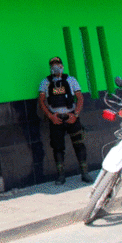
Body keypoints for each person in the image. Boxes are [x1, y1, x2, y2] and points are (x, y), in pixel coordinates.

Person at [38, 56, 92, 185]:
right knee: (57, 148)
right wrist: (51, 116)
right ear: (50, 67)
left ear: (62, 65)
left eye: (58, 64)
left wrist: (75, 115)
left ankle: (85, 173)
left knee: (79, 145)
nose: (56, 67)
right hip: (56, 119)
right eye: (53, 65)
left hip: (71, 117)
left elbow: (80, 98)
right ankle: (61, 176)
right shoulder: (45, 82)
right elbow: (41, 101)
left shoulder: (71, 80)